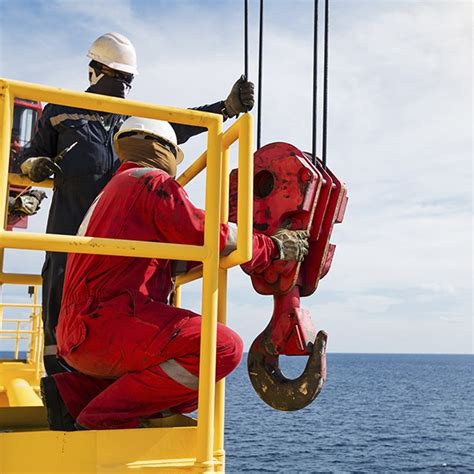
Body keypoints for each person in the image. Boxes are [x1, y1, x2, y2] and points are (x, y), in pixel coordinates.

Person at [39, 117, 309, 430]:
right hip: (107, 325)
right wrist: (272, 246)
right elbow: (202, 232)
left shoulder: (112, 193)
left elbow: (175, 255)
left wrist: (233, 252)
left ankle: (74, 394)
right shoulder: (149, 181)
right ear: (164, 151)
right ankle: (101, 417)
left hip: (78, 336)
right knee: (220, 349)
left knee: (193, 387)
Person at [19, 32, 256, 375]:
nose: (122, 85)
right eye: (117, 76)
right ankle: (62, 394)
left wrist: (225, 108)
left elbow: (179, 123)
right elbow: (28, 156)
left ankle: (113, 389)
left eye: (127, 79)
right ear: (94, 71)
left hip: (122, 242)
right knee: (59, 314)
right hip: (69, 235)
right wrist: (34, 166)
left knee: (132, 310)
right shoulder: (60, 111)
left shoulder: (132, 117)